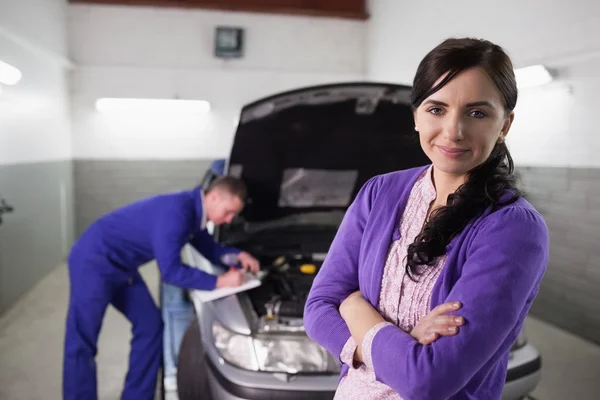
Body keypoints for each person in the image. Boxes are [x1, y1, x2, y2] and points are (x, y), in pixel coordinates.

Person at [304, 37, 549, 400]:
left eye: (477, 113)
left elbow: (428, 380)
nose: (453, 131)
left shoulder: (513, 228)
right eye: (437, 109)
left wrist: (354, 308)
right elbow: (318, 308)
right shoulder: (379, 193)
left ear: (505, 125)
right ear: (416, 114)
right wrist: (396, 347)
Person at [63, 175, 260, 400]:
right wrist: (220, 282)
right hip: (94, 261)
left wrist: (237, 256)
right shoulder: (177, 212)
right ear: (213, 197)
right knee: (82, 340)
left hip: (123, 267)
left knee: (150, 326)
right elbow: (171, 271)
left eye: (233, 214)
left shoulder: (195, 213)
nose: (229, 219)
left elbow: (208, 247)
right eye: (228, 212)